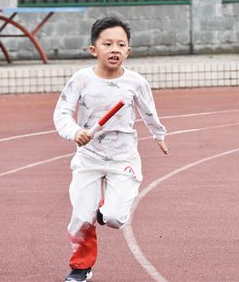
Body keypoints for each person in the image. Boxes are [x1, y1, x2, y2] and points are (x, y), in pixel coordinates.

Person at [53, 16, 168, 282]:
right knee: (81, 217)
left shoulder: (136, 82)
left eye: (121, 44)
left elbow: (149, 112)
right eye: (108, 44)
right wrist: (75, 132)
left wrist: (158, 135)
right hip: (89, 158)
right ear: (94, 49)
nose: (114, 49)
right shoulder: (81, 80)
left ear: (128, 50)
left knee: (115, 218)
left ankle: (103, 210)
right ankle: (81, 267)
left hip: (122, 158)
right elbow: (62, 114)